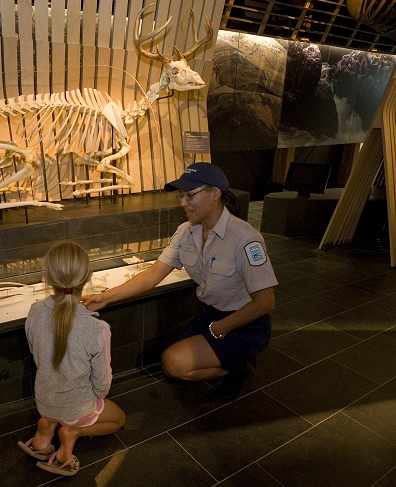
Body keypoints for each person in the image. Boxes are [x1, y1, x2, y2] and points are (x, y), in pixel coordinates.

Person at [82, 162, 277, 402]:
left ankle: (240, 366)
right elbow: (153, 274)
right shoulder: (186, 231)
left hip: (243, 322)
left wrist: (221, 328)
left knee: (175, 363)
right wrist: (105, 297)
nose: (183, 203)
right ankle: (229, 358)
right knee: (172, 365)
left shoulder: (246, 239)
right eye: (181, 196)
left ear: (215, 194)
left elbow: (265, 303)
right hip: (209, 315)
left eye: (191, 195)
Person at [18, 240, 126, 476]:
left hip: (44, 400)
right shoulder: (97, 328)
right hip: (77, 408)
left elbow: (36, 353)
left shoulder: (35, 311)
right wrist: (98, 399)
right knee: (118, 419)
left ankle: (44, 434)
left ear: (45, 278)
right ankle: (70, 435)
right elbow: (102, 381)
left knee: (53, 412)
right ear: (89, 276)